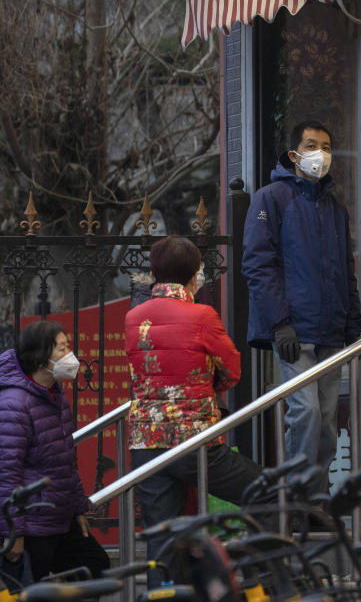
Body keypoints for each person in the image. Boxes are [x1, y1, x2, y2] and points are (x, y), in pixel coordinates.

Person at [126, 235, 271, 584]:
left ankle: (163, 593)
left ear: (153, 274)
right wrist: (208, 386)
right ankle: (256, 580)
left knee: (163, 538)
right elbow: (232, 367)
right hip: (194, 441)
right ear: (194, 276)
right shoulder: (202, 315)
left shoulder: (134, 317)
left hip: (146, 441)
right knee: (264, 493)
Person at [242, 120, 361, 495]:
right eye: (312, 145)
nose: (320, 154)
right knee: (306, 413)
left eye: (326, 146)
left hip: (330, 330)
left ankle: (315, 496)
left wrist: (352, 322)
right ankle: (297, 497)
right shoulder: (271, 198)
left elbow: (346, 269)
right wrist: (279, 323)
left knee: (326, 419)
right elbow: (257, 263)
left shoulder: (334, 207)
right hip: (294, 330)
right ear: (294, 154)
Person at [0, 321, 110, 585]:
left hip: (59, 517)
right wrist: (12, 531)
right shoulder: (12, 404)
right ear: (40, 359)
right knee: (27, 591)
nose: (70, 356)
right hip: (28, 523)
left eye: (67, 347)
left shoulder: (54, 395)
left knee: (95, 567)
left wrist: (78, 509)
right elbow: (2, 473)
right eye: (61, 349)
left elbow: (64, 462)